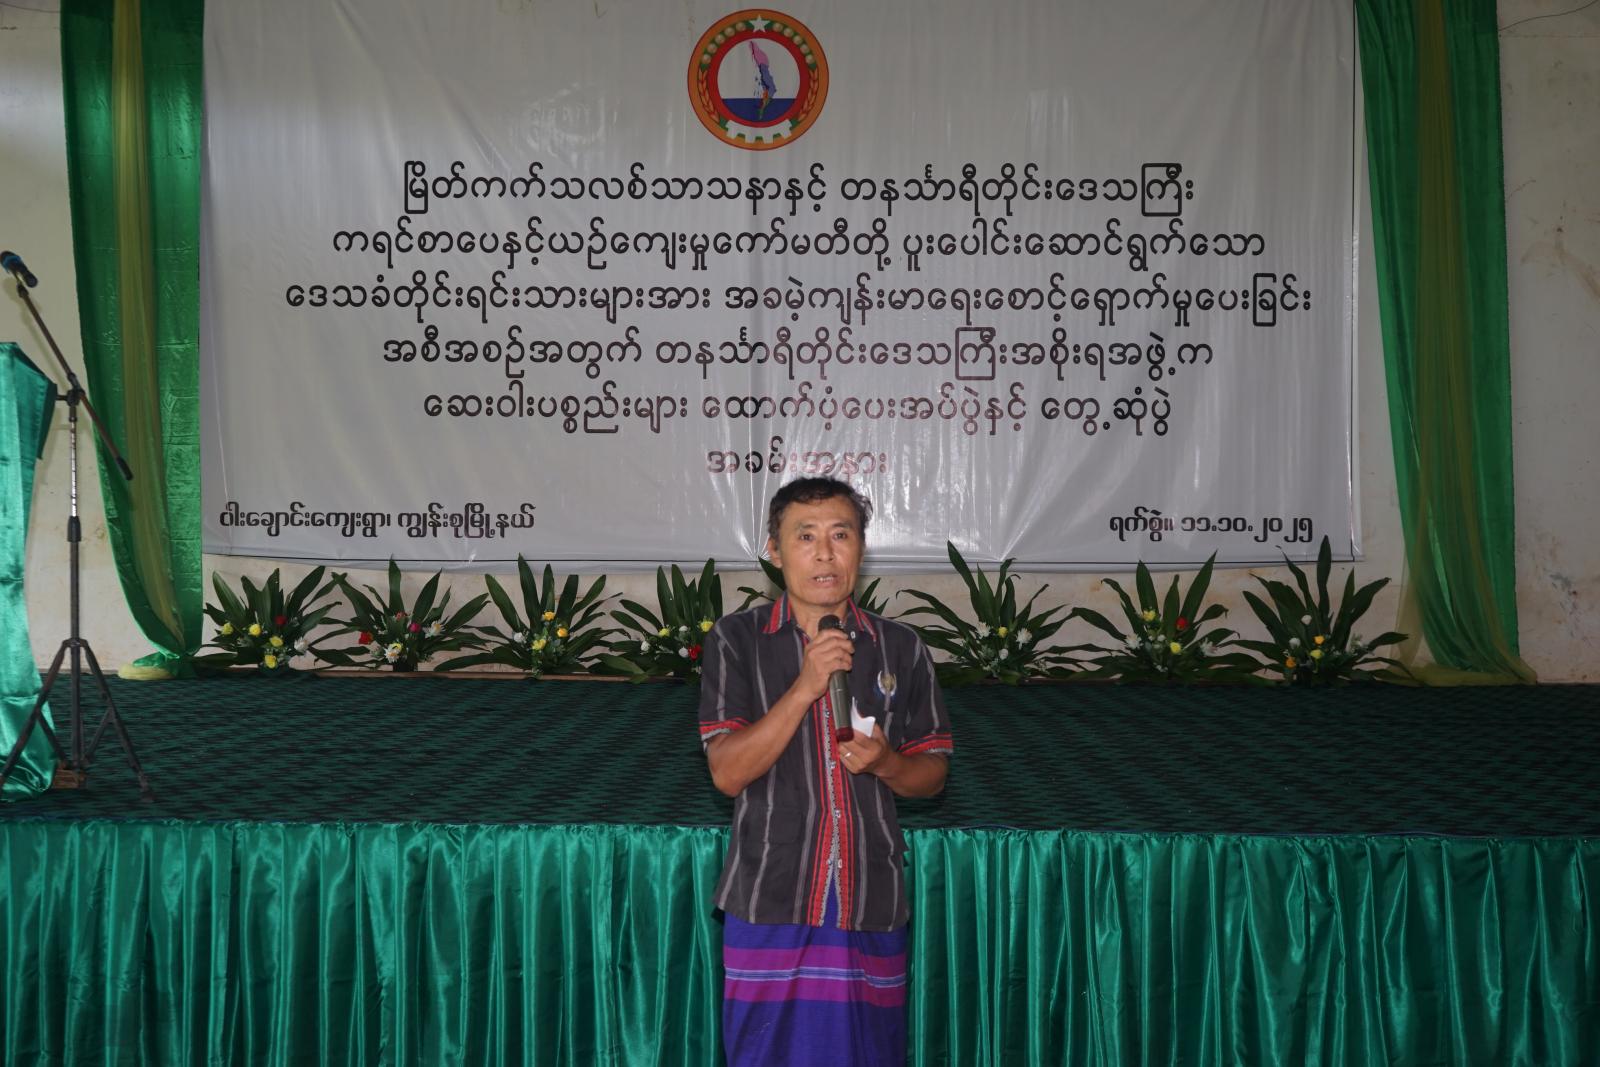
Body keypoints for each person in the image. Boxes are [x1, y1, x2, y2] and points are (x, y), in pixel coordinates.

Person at [699, 477, 953, 1066]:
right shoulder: (737, 640)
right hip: (770, 894)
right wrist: (805, 686)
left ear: (861, 548)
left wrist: (888, 763)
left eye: (840, 536)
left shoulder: (901, 647)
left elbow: (934, 774)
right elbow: (727, 773)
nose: (824, 554)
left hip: (870, 897)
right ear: (774, 551)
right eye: (805, 536)